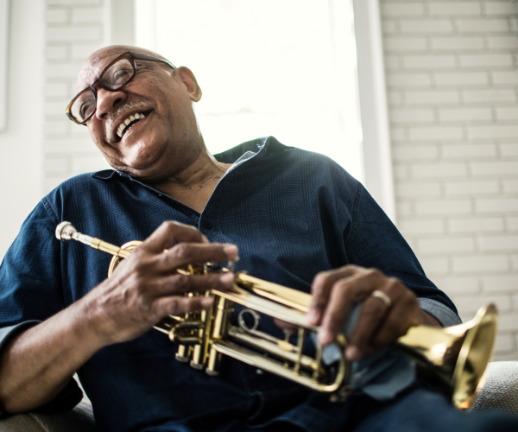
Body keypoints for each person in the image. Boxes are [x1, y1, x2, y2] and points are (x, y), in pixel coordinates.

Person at [0, 45, 515, 432]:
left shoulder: (314, 176)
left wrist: (405, 316)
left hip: (362, 419)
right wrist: (99, 313)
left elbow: (428, 307)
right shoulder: (68, 212)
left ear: (188, 83)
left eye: (121, 74)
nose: (107, 100)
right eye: (86, 106)